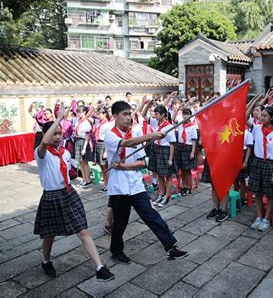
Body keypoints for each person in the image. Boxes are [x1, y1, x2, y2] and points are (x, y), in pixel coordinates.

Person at [33, 103, 114, 281]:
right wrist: (60, 117)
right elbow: (45, 141)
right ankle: (46, 261)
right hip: (51, 196)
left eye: (60, 133)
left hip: (68, 194)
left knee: (83, 231)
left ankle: (100, 267)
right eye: (54, 133)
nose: (58, 137)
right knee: (49, 234)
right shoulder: (41, 154)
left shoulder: (65, 153)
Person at [105, 101, 188, 263]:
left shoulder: (135, 135)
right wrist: (152, 135)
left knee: (151, 215)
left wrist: (125, 166)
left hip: (135, 185)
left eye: (130, 114)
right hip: (119, 187)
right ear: (115, 116)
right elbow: (125, 143)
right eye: (125, 114)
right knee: (120, 221)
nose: (129, 118)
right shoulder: (110, 135)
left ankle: (170, 246)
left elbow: (143, 163)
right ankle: (116, 250)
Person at [247, 106, 273, 232]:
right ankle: (259, 216)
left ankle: (266, 219)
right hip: (257, 162)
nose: (261, 117)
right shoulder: (257, 129)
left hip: (269, 164)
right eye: (260, 115)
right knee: (257, 192)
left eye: (264, 116)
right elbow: (245, 117)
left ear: (272, 118)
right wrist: (253, 103)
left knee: (269, 193)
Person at [149, 105, 176, 207]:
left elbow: (172, 143)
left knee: (168, 175)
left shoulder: (169, 127)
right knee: (159, 174)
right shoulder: (157, 124)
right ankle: (161, 193)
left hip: (165, 151)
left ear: (163, 115)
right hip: (157, 150)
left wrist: (170, 159)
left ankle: (166, 196)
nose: (155, 116)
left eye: (157, 114)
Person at [74, 105, 93, 187]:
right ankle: (84, 179)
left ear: (84, 112)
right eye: (77, 112)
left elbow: (87, 137)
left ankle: (88, 180)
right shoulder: (79, 121)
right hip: (77, 141)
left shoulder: (86, 123)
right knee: (80, 162)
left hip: (83, 142)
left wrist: (84, 148)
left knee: (84, 162)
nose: (78, 113)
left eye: (80, 112)